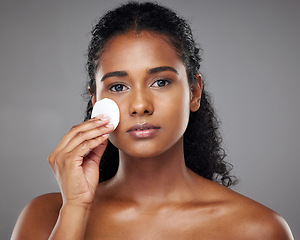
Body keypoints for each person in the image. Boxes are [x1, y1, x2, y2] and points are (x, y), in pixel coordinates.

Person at [12, 2, 294, 239]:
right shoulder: (44, 218)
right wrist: (75, 208)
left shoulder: (257, 229)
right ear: (96, 101)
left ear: (194, 92)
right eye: (119, 87)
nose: (140, 106)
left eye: (160, 81)